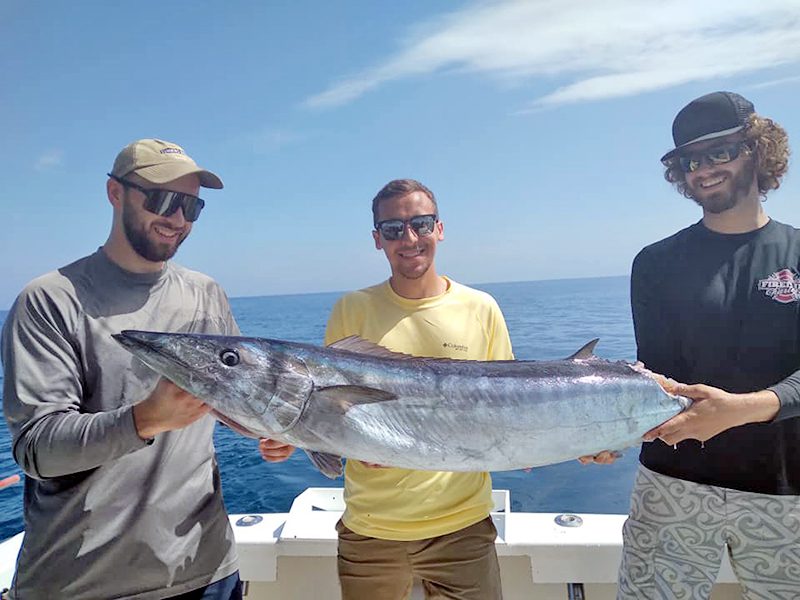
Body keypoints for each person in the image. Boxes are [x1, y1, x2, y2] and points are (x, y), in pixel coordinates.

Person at [2, 139, 243, 599]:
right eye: (162, 199)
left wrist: (276, 431)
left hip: (208, 572)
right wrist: (144, 419)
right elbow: (37, 449)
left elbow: (240, 400)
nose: (177, 218)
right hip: (84, 585)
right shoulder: (50, 300)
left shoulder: (207, 293)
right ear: (115, 193)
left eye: (191, 206)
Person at [260, 179, 514, 599]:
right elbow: (333, 411)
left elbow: (506, 414)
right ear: (377, 239)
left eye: (421, 223)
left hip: (463, 527)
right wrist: (293, 436)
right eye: (394, 229)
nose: (409, 239)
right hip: (371, 531)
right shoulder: (351, 309)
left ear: (440, 228)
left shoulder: (481, 308)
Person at [616, 91, 800, 599]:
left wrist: (743, 409)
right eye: (691, 160)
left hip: (785, 492)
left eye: (720, 151)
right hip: (671, 485)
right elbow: (654, 379)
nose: (703, 169)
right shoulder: (654, 264)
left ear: (758, 150)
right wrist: (599, 431)